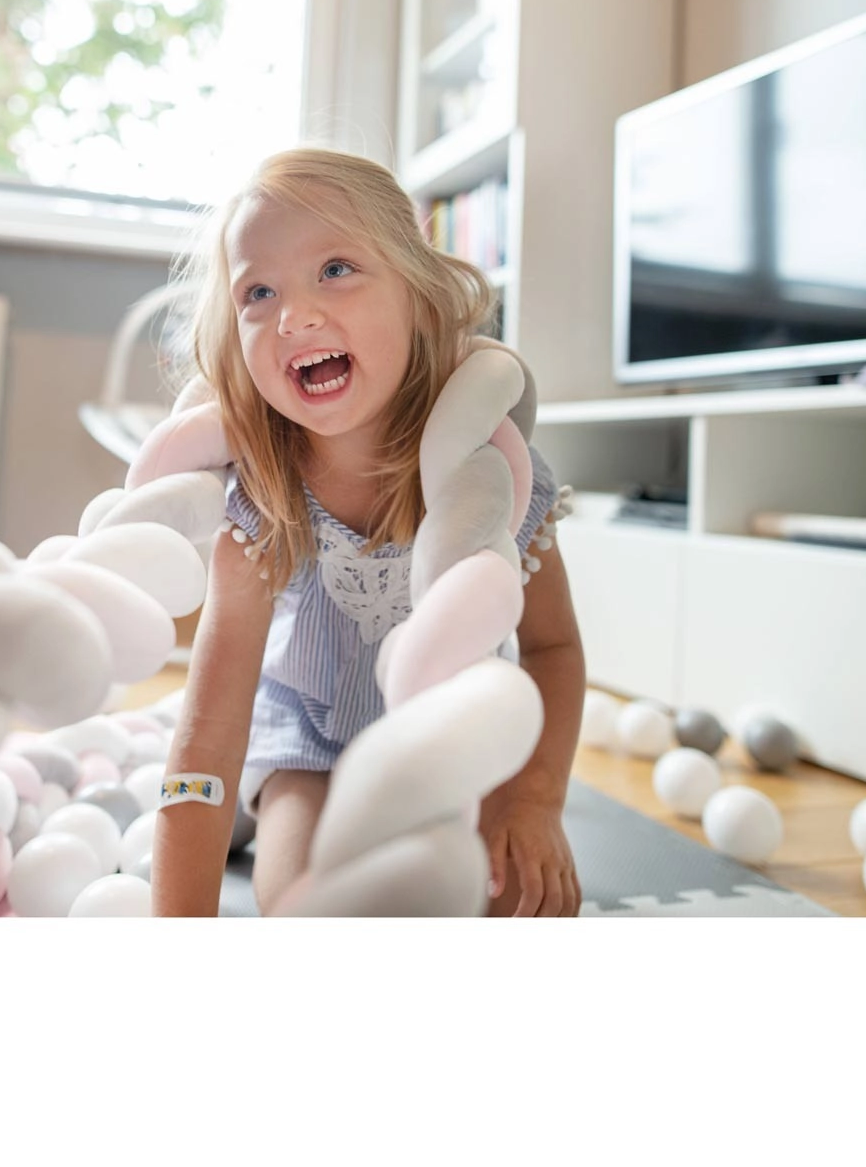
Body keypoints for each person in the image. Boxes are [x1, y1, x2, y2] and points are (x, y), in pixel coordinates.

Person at [150, 148, 585, 918]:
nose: (296, 316)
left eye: (336, 269)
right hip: (311, 748)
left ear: (418, 294)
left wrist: (535, 800)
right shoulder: (258, 501)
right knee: (310, 903)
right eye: (259, 291)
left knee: (516, 901)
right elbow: (209, 731)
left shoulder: (493, 475)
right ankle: (262, 815)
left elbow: (551, 648)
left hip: (453, 742)